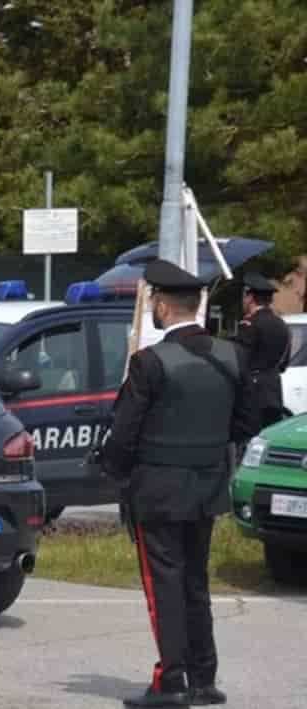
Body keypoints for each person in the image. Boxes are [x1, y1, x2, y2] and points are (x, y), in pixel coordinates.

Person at [102, 260, 260, 708]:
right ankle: (204, 678)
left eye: (154, 301)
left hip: (157, 490)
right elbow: (247, 421)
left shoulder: (150, 363)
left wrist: (113, 470)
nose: (152, 308)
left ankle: (170, 682)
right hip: (207, 487)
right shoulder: (231, 356)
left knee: (164, 587)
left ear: (165, 307)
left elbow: (124, 434)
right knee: (195, 583)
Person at [231, 272, 291, 429]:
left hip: (251, 395)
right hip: (274, 391)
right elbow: (283, 364)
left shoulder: (249, 325)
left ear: (250, 297)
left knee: (247, 444)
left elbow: (239, 360)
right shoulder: (282, 325)